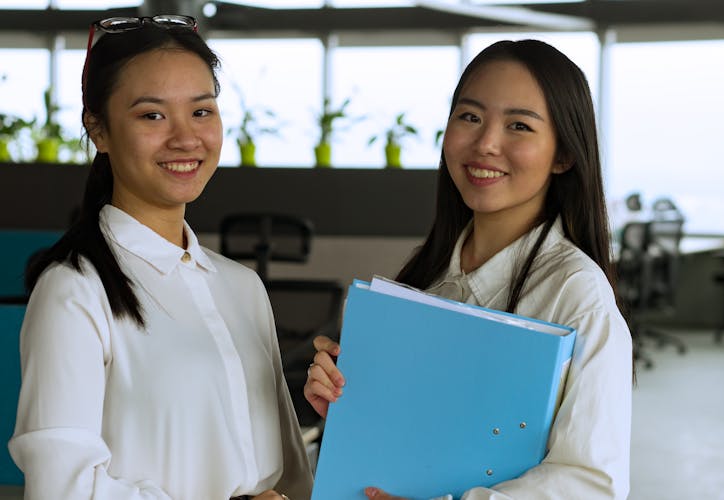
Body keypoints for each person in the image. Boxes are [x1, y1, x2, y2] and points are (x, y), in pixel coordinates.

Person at [304, 39, 632, 500]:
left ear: (564, 155)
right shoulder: (424, 278)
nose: (485, 144)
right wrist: (347, 408)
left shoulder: (576, 291)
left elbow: (592, 483)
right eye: (470, 117)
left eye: (519, 125)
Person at [9, 16, 311, 500]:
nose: (186, 138)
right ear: (98, 130)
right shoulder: (74, 290)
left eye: (202, 111)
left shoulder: (242, 287)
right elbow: (61, 489)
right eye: (152, 115)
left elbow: (288, 475)